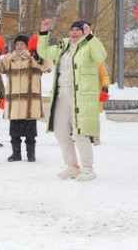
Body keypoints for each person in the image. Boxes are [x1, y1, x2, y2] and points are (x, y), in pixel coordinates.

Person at [37, 19, 107, 181]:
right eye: (72, 29)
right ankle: (72, 166)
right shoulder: (64, 46)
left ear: (84, 32)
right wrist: (43, 32)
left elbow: (101, 55)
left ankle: (88, 168)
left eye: (78, 30)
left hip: (81, 96)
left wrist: (90, 36)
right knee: (61, 132)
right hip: (61, 94)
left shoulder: (90, 45)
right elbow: (44, 52)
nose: (74, 32)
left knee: (80, 132)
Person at [0, 35, 53, 162]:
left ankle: (31, 154)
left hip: (30, 103)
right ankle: (16, 154)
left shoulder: (33, 57)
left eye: (22, 44)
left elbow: (48, 67)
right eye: (17, 44)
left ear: (27, 45)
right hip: (15, 103)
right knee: (14, 132)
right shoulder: (9, 59)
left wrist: (39, 59)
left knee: (30, 133)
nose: (19, 46)